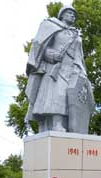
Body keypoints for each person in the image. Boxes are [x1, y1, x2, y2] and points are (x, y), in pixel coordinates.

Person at [25, 5, 94, 133]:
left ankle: (71, 125)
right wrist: (51, 55)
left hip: (73, 69)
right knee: (58, 95)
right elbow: (39, 47)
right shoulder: (51, 26)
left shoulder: (75, 33)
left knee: (72, 97)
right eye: (69, 13)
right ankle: (57, 124)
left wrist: (82, 70)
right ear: (62, 14)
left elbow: (80, 55)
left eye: (74, 14)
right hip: (55, 69)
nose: (72, 16)